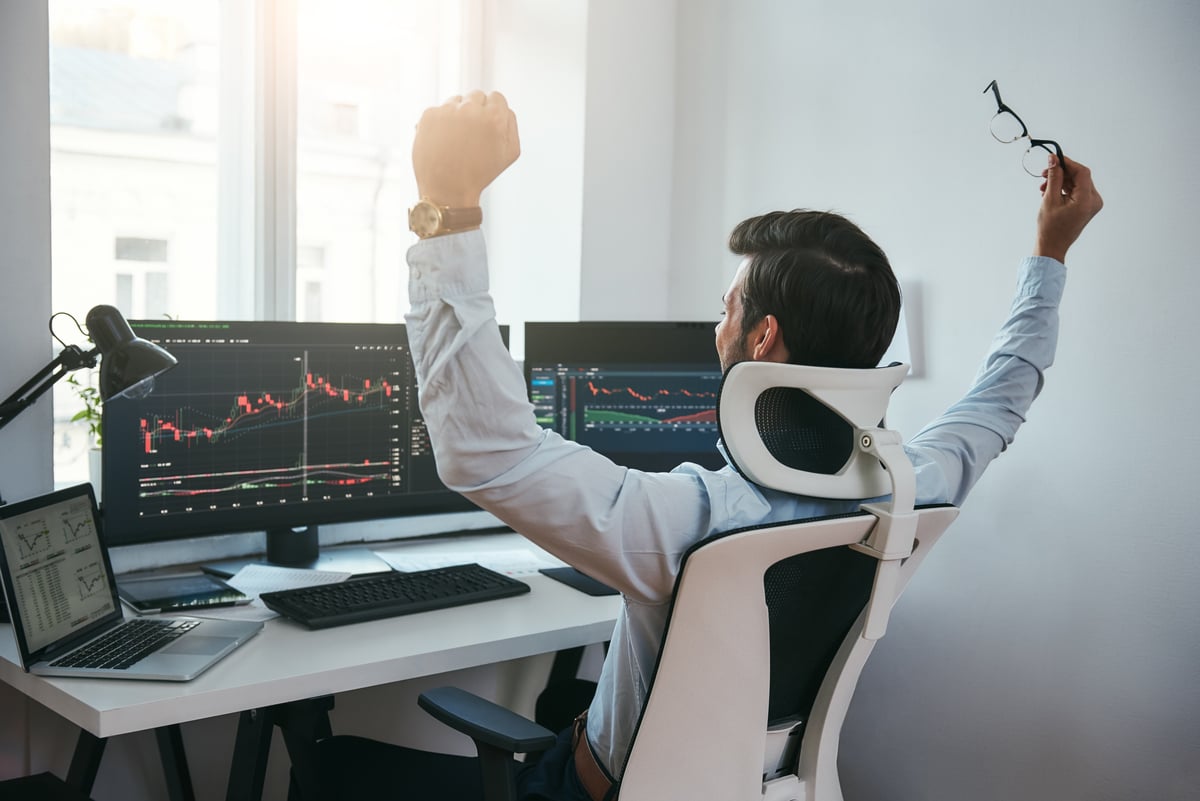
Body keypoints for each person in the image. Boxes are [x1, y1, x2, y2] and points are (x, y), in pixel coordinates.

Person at [315, 90, 1103, 801]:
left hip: (590, 790)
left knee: (336, 762)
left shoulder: (688, 522)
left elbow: (486, 451)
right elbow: (1007, 390)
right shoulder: (915, 484)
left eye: (727, 308)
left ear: (763, 335)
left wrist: (447, 211)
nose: (717, 323)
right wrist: (1051, 253)